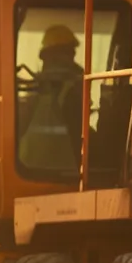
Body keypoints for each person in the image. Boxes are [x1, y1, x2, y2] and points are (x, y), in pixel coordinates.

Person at [18, 24, 84, 172]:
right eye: (69, 52)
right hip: (66, 172)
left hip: (31, 170)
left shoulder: (32, 94)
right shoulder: (72, 91)